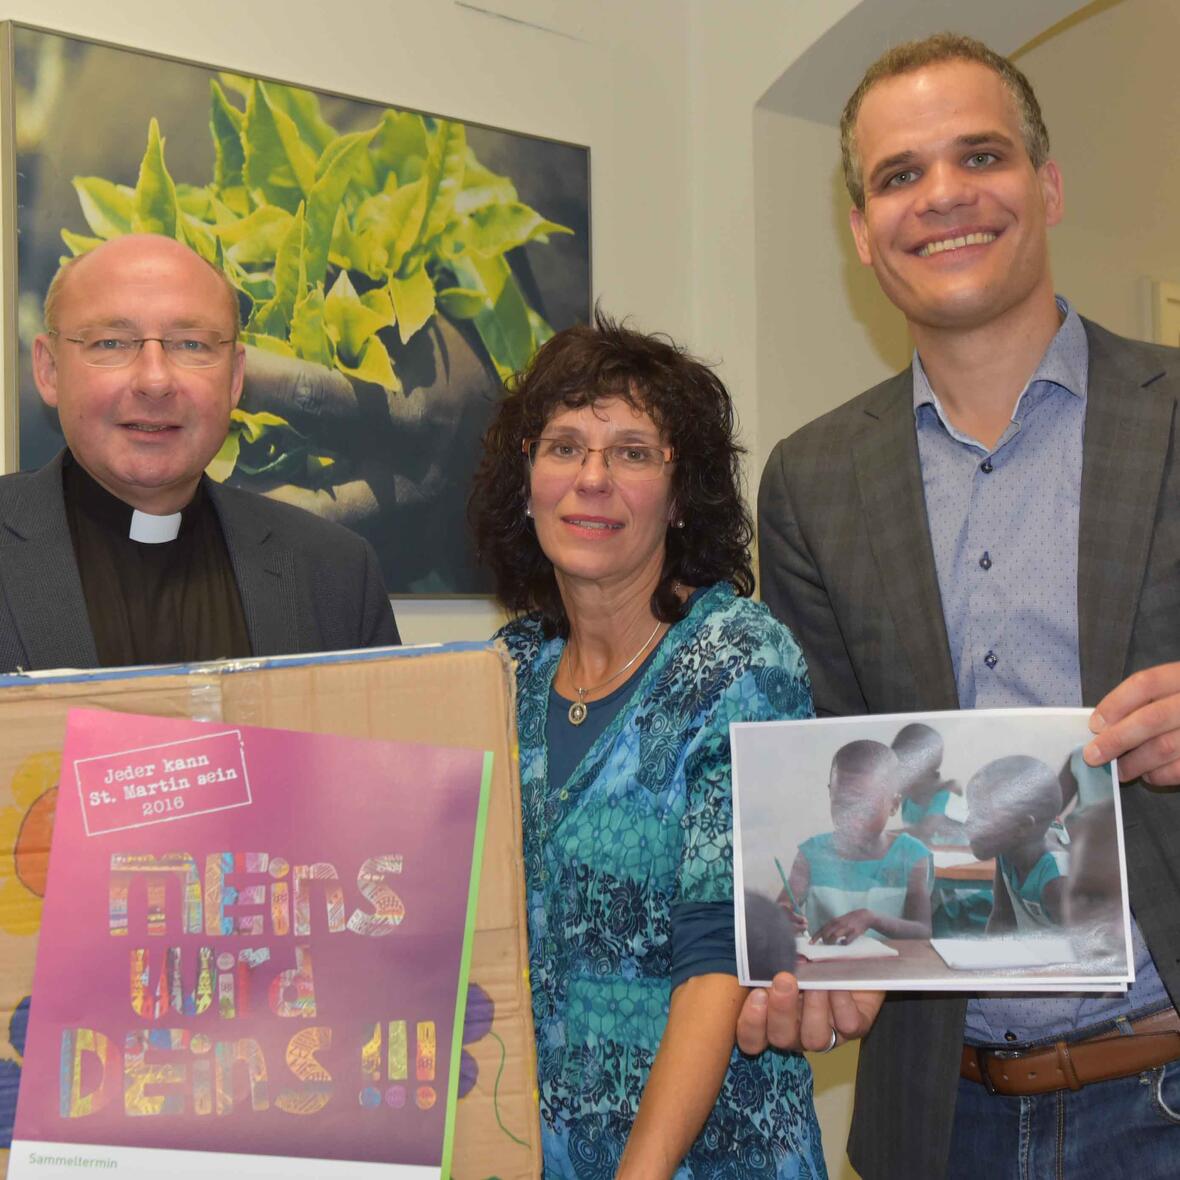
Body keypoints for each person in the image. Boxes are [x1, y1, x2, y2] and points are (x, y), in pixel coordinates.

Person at [741, 32, 1180, 1180]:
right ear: (860, 231)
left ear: (1047, 185)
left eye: (979, 156)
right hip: (936, 1118)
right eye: (899, 174)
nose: (941, 195)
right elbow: (821, 767)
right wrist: (808, 959)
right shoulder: (809, 480)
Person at [470, 312, 824, 1177]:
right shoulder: (504, 673)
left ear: (680, 495)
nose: (592, 479)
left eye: (632, 453)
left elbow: (722, 958)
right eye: (564, 447)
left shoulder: (740, 659)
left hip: (707, 1159)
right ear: (525, 483)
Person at [1, 233, 398, 673]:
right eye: (111, 343)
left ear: (235, 379)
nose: (155, 381)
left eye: (191, 345)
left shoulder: (338, 574)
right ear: (49, 369)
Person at [781, 740, 932, 945]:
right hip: (826, 963)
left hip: (893, 964)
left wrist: (872, 919)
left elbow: (922, 931)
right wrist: (782, 918)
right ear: (831, 794)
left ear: (894, 805)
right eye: (842, 802)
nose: (851, 817)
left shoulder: (912, 855)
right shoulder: (811, 854)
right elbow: (782, 908)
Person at [963, 755, 1066, 933]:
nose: (968, 823)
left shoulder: (1057, 880)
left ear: (1023, 827)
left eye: (982, 815)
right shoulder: (1007, 855)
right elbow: (1002, 917)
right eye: (971, 811)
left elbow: (1083, 944)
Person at [893, 722, 967, 846]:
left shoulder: (951, 787)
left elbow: (925, 832)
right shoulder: (906, 794)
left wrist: (878, 837)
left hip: (958, 856)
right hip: (927, 855)